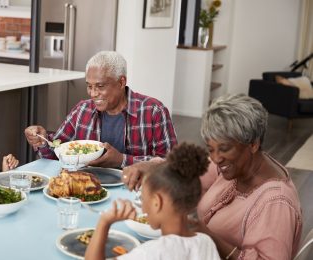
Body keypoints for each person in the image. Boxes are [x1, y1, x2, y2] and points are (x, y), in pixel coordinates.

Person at [122, 94, 303, 260]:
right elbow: (188, 170)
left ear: (253, 144)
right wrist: (150, 166)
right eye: (211, 149)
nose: (215, 158)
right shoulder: (239, 166)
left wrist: (209, 237)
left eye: (224, 149)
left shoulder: (276, 202)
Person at [24, 51, 177, 168]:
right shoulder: (82, 110)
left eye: (100, 86)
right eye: (89, 86)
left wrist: (122, 160)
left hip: (133, 192)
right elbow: (57, 153)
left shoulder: (153, 111)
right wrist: (42, 141)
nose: (93, 93)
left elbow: (170, 165)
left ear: (121, 82)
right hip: (85, 190)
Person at [85, 143, 221, 260]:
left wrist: (104, 222)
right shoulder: (206, 243)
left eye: (144, 199)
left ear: (157, 202)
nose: (143, 210)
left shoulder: (151, 253)